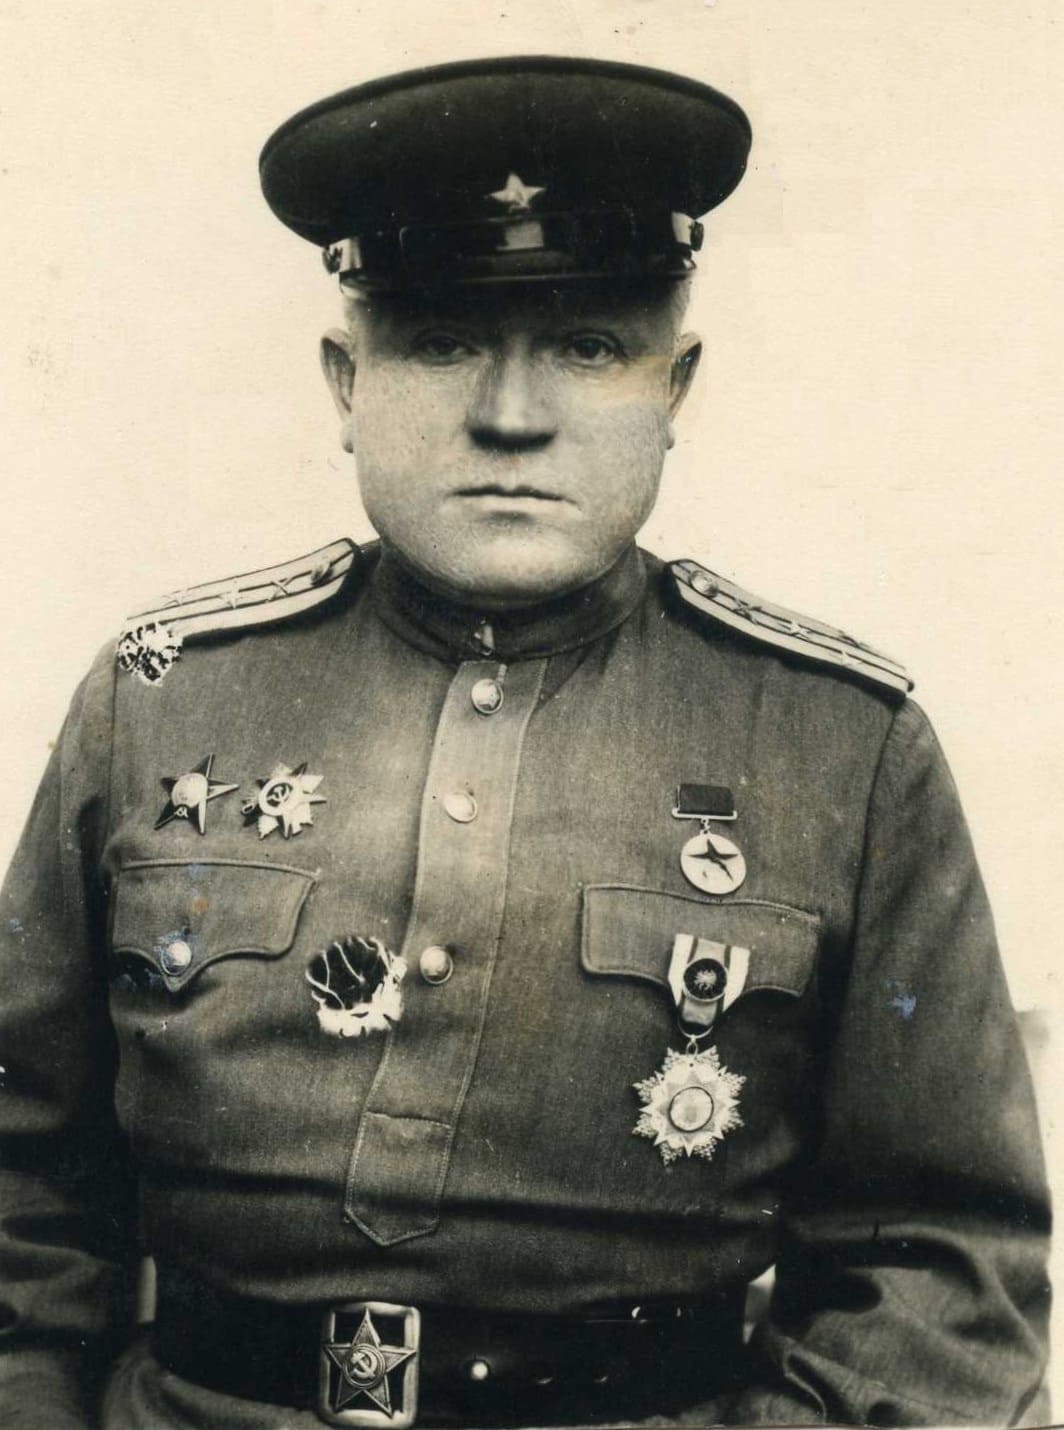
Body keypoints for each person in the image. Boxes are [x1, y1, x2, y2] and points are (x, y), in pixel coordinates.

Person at [0, 55, 1050, 1430]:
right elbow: (19, 1186)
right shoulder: (162, 696)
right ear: (345, 383)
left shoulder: (843, 747)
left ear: (675, 388)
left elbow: (944, 1270)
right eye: (440, 341)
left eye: (589, 346)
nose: (511, 414)